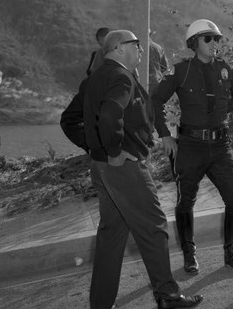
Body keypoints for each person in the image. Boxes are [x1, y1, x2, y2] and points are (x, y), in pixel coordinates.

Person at [82, 29, 203, 309]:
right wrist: (113, 152)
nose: (141, 49)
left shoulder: (95, 78)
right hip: (124, 167)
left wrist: (97, 151)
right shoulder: (121, 76)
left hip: (102, 167)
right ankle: (168, 296)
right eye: (136, 45)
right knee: (154, 227)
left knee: (112, 234)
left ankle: (100, 303)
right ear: (117, 48)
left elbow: (77, 119)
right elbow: (111, 115)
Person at [151, 19, 233, 275]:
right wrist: (165, 136)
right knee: (185, 202)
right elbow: (155, 102)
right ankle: (189, 254)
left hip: (221, 146)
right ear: (194, 43)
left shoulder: (226, 69)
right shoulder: (181, 71)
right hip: (190, 146)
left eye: (216, 38)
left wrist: (218, 110)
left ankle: (232, 253)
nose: (214, 43)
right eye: (208, 38)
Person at [148, 29, 170, 96]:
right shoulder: (158, 48)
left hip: (141, 84)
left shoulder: (136, 48)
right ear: (150, 35)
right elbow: (165, 68)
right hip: (156, 84)